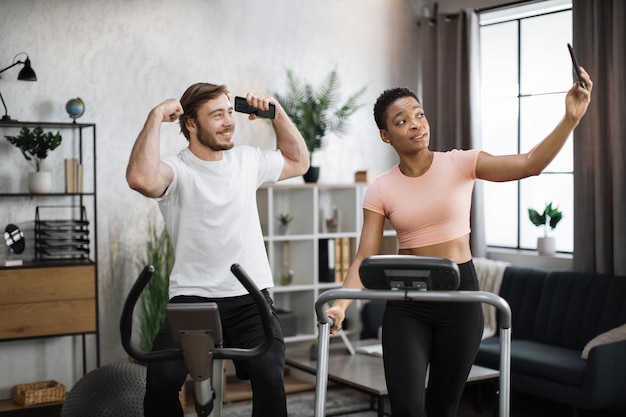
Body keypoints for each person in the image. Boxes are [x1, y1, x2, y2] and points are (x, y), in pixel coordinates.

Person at [325, 68, 593, 417]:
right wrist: (341, 306)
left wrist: (570, 119)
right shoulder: (381, 188)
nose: (416, 124)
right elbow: (365, 256)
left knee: (443, 407)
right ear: (385, 135)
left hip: (460, 298)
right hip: (407, 302)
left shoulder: (461, 163)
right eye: (402, 120)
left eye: (419, 115)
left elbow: (530, 164)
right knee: (406, 407)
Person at [126, 83, 309, 417]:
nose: (229, 122)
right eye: (217, 115)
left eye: (229, 112)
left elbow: (299, 162)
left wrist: (276, 113)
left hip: (250, 297)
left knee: (269, 374)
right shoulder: (176, 169)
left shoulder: (247, 160)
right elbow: (140, 177)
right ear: (191, 125)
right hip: (192, 298)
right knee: (161, 381)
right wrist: (154, 117)